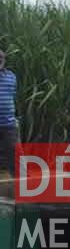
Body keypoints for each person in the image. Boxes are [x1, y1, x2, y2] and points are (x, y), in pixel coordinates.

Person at [0, 46, 18, 175]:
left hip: (8, 124)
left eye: (0, 58)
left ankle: (21, 186)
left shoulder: (11, 76)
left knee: (14, 153)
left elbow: (13, 95)